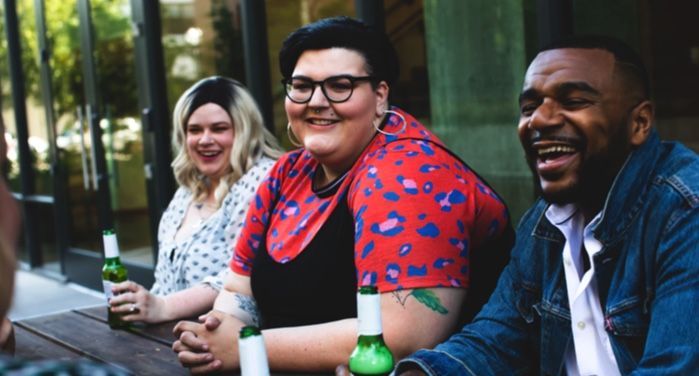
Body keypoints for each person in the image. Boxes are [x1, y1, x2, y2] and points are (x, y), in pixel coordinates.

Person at [171, 16, 513, 374]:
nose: (317, 102)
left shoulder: (408, 172)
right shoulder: (287, 172)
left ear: (380, 96)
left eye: (340, 85)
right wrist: (217, 330)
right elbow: (239, 289)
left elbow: (401, 338)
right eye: (301, 86)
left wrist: (247, 346)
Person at [394, 36, 699, 375]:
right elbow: (493, 340)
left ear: (639, 123)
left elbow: (675, 368)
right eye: (529, 108)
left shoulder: (685, 211)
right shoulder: (543, 223)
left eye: (574, 101)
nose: (539, 120)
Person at [108, 76, 282, 323]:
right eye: (194, 130)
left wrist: (165, 307)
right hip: (169, 337)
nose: (204, 139)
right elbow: (164, 277)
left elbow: (244, 272)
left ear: (244, 131)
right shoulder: (190, 188)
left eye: (219, 128)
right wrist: (144, 303)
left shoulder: (262, 180)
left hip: (229, 342)